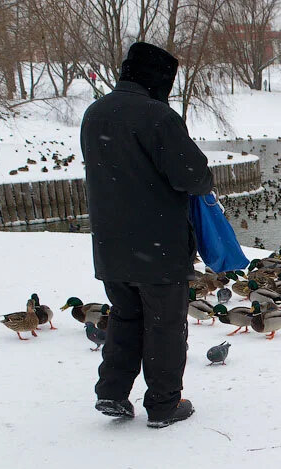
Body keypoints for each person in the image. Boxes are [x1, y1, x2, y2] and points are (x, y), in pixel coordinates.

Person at [80, 42, 212, 428]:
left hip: (110, 245)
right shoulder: (157, 116)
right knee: (165, 325)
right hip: (158, 246)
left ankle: (112, 394)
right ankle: (164, 404)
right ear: (159, 79)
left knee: (125, 318)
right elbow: (193, 176)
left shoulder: (95, 112)